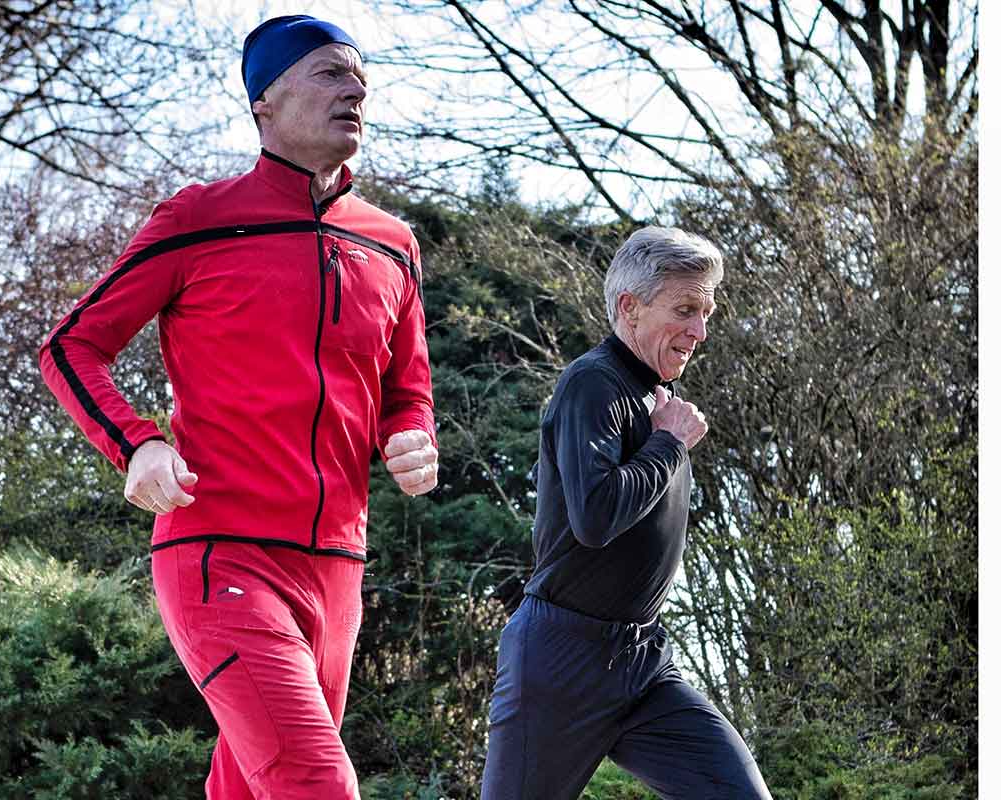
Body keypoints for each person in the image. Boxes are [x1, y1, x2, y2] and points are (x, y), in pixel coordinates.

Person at [39, 15, 438, 799]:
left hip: (337, 569)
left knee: (251, 788)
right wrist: (139, 444)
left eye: (360, 77)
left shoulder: (392, 243)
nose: (355, 89)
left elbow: (407, 386)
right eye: (329, 73)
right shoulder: (200, 218)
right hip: (221, 551)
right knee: (315, 785)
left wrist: (412, 435)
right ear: (265, 100)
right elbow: (71, 347)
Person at [480, 227, 771, 799]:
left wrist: (667, 437)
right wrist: (669, 445)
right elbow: (595, 519)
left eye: (707, 312)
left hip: (641, 659)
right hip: (562, 658)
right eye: (685, 309)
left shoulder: (653, 399)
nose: (700, 331)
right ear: (629, 307)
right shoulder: (593, 383)